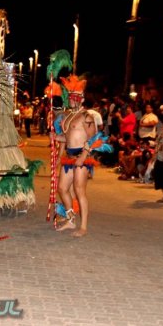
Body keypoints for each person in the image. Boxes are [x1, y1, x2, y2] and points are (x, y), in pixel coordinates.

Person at [53, 75, 97, 237]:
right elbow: (67, 138)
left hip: (82, 157)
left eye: (75, 97)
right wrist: (56, 137)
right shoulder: (68, 116)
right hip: (69, 157)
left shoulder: (86, 116)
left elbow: (94, 138)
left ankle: (83, 227)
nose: (72, 100)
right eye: (70, 97)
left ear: (81, 99)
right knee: (62, 189)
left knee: (79, 190)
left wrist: (83, 156)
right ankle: (71, 219)